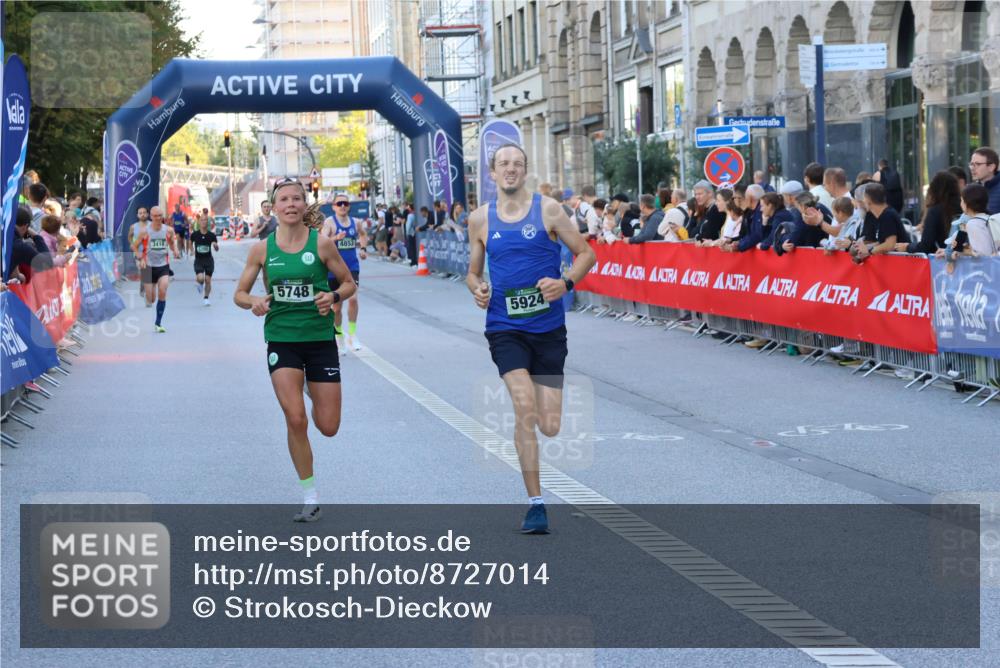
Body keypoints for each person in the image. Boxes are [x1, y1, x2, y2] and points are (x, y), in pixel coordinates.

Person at [465, 144, 596, 534]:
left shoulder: (550, 209)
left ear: (525, 171)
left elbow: (586, 253)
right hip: (505, 327)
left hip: (549, 329)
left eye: (517, 164)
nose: (510, 170)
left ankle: (545, 421)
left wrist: (565, 282)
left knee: (550, 425)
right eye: (503, 164)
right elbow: (472, 273)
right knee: (523, 406)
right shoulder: (479, 218)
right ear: (492, 173)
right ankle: (536, 503)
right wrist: (478, 288)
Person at [234, 177, 356, 523]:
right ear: (272, 207)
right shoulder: (261, 249)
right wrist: (255, 301)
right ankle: (310, 495)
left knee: (328, 426)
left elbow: (349, 284)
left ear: (305, 205)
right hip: (282, 339)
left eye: (296, 199)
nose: (290, 204)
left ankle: (309, 384)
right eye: (284, 199)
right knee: (295, 418)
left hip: (319, 340)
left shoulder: (322, 245)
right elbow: (239, 294)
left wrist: (332, 297)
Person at [321, 193, 367, 351]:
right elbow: (322, 241)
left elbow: (362, 234)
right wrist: (335, 238)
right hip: (334, 270)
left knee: (353, 299)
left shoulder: (356, 222)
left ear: (349, 206)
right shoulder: (329, 222)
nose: (342, 206)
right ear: (333, 206)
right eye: (339, 203)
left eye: (345, 204)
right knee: (337, 308)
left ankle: (353, 335)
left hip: (351, 268)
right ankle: (339, 335)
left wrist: (363, 248)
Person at [133, 206, 181, 331]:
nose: (158, 218)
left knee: (163, 290)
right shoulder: (145, 231)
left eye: (160, 215)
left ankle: (158, 323)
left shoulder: (168, 230)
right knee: (151, 299)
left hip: (163, 266)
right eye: (155, 216)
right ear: (151, 216)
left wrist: (175, 250)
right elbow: (135, 245)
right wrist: (139, 256)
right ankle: (148, 290)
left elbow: (172, 244)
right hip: (148, 267)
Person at [896, 170, 961, 255]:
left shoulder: (934, 211)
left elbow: (926, 245)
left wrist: (907, 247)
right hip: (963, 258)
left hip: (941, 260)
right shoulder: (963, 207)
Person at [851, 182, 906, 264]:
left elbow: (889, 244)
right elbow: (882, 241)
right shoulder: (882, 215)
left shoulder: (887, 215)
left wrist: (869, 250)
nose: (863, 201)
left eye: (864, 198)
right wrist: (865, 248)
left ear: (868, 200)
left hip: (902, 263)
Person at [191, 212, 220, 306]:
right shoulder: (195, 234)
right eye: (202, 220)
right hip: (199, 260)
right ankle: (199, 284)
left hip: (209, 260)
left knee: (208, 280)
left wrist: (215, 246)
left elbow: (216, 247)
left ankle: (206, 298)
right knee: (200, 278)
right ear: (199, 222)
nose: (204, 222)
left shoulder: (211, 235)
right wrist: (191, 250)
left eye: (205, 220)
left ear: (207, 223)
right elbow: (190, 242)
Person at [969, 147, 1000, 214]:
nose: (972, 168)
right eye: (971, 164)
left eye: (978, 164)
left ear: (991, 167)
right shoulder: (972, 189)